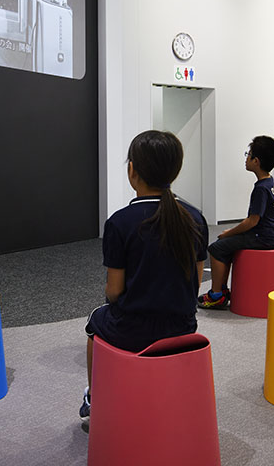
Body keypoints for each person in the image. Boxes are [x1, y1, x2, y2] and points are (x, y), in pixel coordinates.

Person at [81, 130, 208, 421]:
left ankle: (94, 395)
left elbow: (114, 290)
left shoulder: (120, 222)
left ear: (132, 170)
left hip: (133, 329)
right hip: (183, 326)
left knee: (94, 322)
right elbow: (196, 282)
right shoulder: (195, 218)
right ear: (174, 171)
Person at [197, 135, 274, 310]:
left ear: (256, 161)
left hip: (262, 237)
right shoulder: (269, 181)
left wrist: (229, 232)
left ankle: (216, 295)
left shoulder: (260, 189)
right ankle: (221, 290)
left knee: (216, 247)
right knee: (225, 245)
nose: (246, 158)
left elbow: (252, 221)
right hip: (270, 234)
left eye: (248, 154)